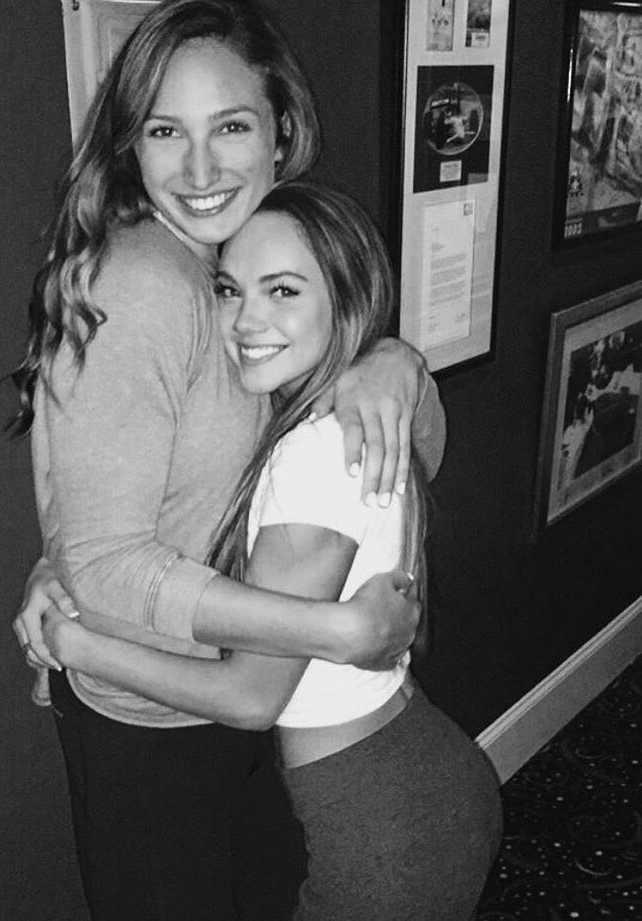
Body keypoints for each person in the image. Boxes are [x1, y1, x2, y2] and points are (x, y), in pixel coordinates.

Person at [11, 0, 447, 918]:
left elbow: (410, 457)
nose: (201, 170)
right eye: (165, 130)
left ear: (283, 130)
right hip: (156, 719)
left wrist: (391, 360)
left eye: (232, 126)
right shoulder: (142, 282)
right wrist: (333, 631)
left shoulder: (245, 261)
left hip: (234, 693)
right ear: (130, 143)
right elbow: (106, 561)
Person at [33, 181, 502, 920]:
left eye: (282, 290)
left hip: (377, 819)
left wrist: (76, 646)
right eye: (229, 290)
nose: (247, 319)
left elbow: (251, 697)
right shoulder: (348, 419)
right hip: (413, 771)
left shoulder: (312, 457)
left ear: (345, 302)